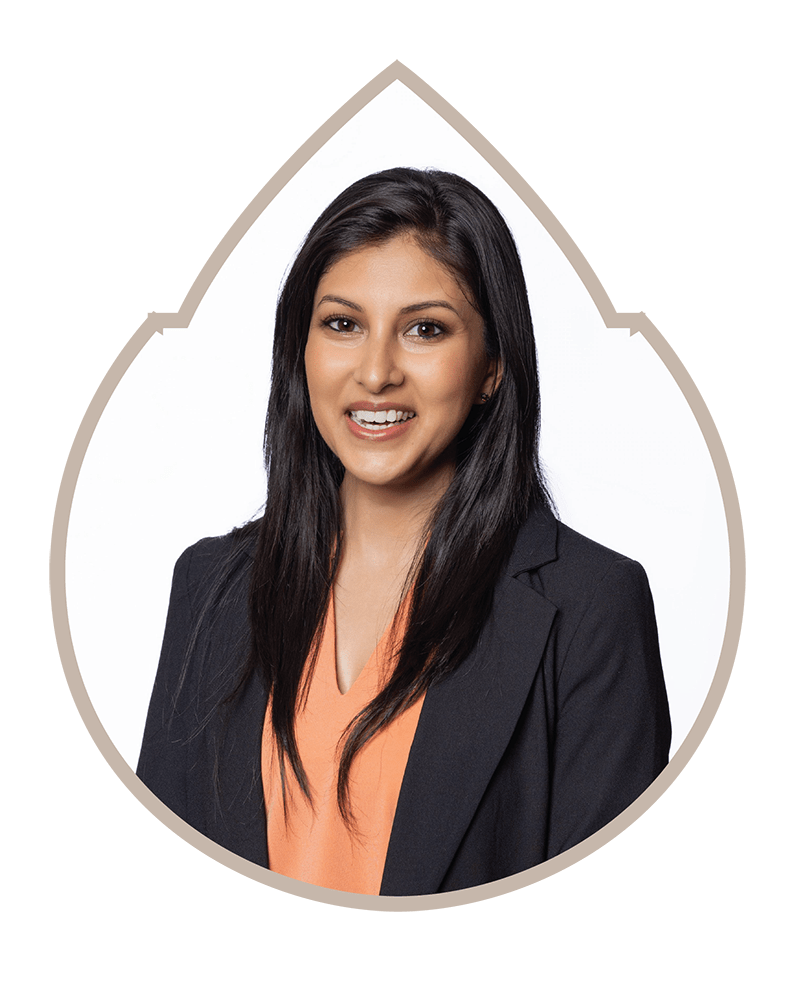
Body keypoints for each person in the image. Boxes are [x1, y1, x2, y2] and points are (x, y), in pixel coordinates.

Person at [137, 167, 671, 896]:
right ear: (300, 348)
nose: (376, 372)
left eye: (425, 329)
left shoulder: (591, 607)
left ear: (492, 366)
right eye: (342, 324)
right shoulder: (209, 588)